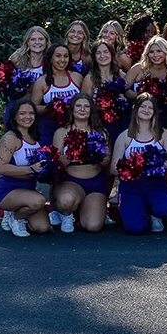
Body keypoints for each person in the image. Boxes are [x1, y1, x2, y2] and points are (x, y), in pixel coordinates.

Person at [111, 93, 167, 234]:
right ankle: (140, 211)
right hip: (131, 186)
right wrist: (131, 169)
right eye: (143, 106)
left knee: (165, 210)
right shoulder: (125, 136)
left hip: (156, 184)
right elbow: (113, 168)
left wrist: (155, 168)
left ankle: (155, 214)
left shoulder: (163, 134)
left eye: (150, 108)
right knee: (136, 228)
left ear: (155, 112)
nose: (146, 110)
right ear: (135, 108)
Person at [50, 93, 111, 233]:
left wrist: (96, 154)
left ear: (91, 110)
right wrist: (72, 154)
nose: (82, 109)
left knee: (92, 226)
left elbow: (107, 162)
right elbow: (55, 165)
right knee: (66, 201)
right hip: (70, 181)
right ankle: (66, 214)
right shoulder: (61, 132)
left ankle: (87, 209)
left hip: (95, 182)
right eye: (78, 106)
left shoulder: (101, 132)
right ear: (72, 109)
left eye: (86, 106)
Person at [0, 99, 49, 237]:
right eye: (22, 113)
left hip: (28, 189)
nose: (27, 117)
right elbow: (0, 168)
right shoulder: (11, 138)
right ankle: (15, 217)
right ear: (14, 116)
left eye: (31, 113)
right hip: (8, 190)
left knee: (42, 227)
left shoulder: (34, 137)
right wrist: (30, 169)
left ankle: (15, 212)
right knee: (39, 201)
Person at [31, 44, 83, 146]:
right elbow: (33, 108)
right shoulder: (42, 82)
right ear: (50, 59)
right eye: (58, 56)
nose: (62, 59)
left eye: (66, 56)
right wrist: (52, 108)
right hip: (48, 127)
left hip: (73, 126)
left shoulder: (77, 77)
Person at [82, 39, 131, 144]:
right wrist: (101, 105)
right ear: (94, 57)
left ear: (112, 54)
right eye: (98, 53)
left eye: (105, 52)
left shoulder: (120, 75)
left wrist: (123, 100)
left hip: (121, 120)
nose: (102, 56)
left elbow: (129, 95)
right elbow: (85, 103)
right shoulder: (89, 78)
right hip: (99, 122)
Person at [124, 36, 167, 131]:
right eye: (151, 52)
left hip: (164, 118)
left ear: (166, 52)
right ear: (147, 54)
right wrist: (139, 98)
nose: (155, 55)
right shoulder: (138, 68)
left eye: (159, 51)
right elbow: (123, 88)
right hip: (137, 116)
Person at [3, 26, 50, 123]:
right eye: (33, 39)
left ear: (46, 41)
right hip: (18, 104)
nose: (37, 42)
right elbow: (4, 78)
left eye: (41, 39)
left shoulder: (51, 60)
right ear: (27, 42)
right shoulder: (17, 58)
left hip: (40, 107)